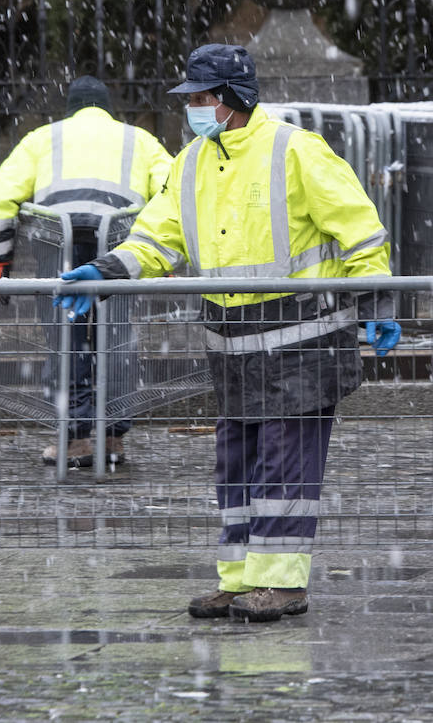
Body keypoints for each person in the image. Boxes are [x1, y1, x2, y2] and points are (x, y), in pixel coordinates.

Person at [55, 44, 401, 622]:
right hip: (234, 346)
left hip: (302, 340)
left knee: (285, 465)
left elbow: (359, 229)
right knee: (236, 466)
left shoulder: (296, 150)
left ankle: (282, 585)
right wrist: (106, 271)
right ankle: (239, 579)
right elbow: (157, 237)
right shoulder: (190, 162)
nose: (191, 107)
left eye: (201, 97)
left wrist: (376, 301)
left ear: (232, 98)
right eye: (189, 98)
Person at [0, 75, 172, 468]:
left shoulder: (42, 139)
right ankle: (113, 435)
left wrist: (0, 263)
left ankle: (75, 437)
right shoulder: (139, 140)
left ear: (70, 109)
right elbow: (172, 194)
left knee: (65, 337)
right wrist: (161, 256)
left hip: (60, 245)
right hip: (118, 246)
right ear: (107, 109)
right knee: (117, 338)